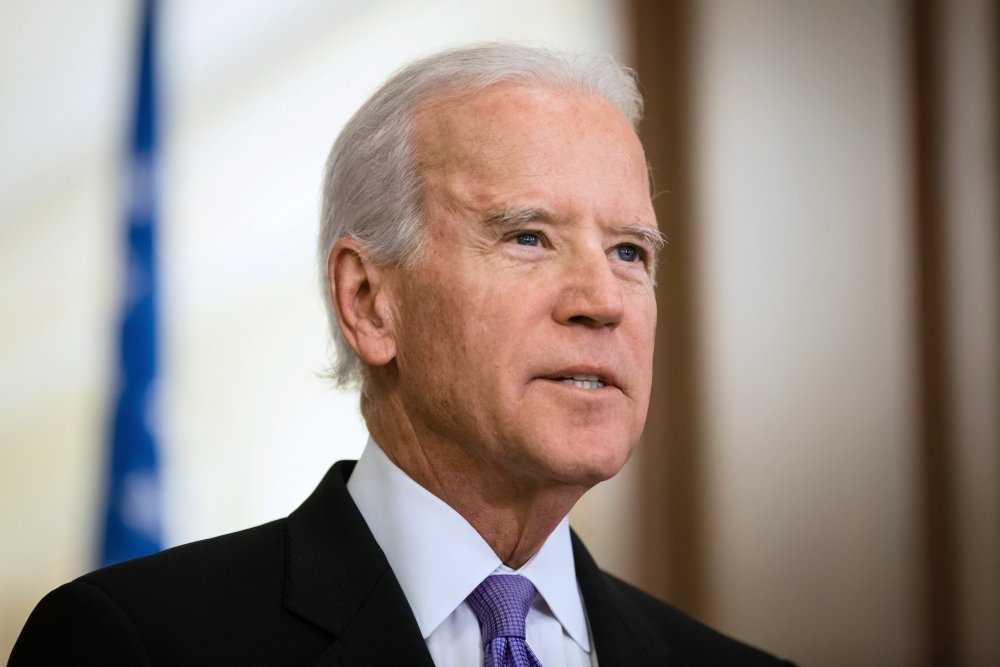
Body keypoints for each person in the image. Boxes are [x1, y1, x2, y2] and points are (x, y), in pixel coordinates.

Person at [11, 43, 793, 666]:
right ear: (368, 302)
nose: (604, 299)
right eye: (528, 236)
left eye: (630, 251)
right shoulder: (134, 642)